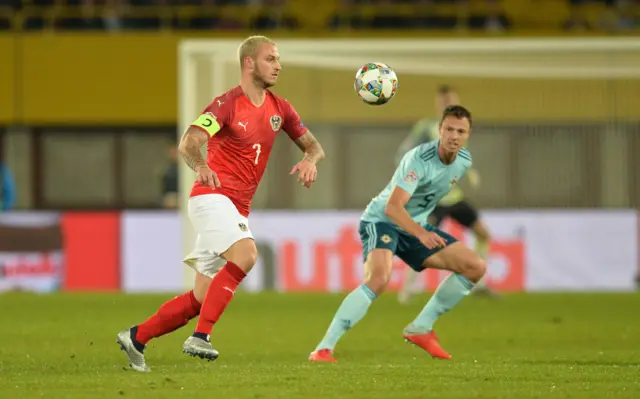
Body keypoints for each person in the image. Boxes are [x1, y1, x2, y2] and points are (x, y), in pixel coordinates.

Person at [117, 35, 326, 372]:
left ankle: (136, 337)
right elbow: (190, 142)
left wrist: (310, 160)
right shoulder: (226, 104)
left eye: (278, 59)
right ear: (249, 63)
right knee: (246, 255)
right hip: (211, 198)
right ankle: (201, 337)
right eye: (270, 58)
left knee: (199, 299)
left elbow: (314, 145)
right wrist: (200, 166)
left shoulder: (280, 108)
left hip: (235, 208)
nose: (278, 65)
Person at [309, 105, 485, 362]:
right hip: (382, 221)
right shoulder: (418, 160)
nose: (454, 136)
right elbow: (393, 207)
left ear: (468, 135)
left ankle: (421, 328)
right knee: (379, 279)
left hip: (415, 226)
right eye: (449, 129)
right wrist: (421, 234)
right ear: (440, 130)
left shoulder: (464, 161)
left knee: (475, 267)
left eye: (461, 131)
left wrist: (420, 229)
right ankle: (324, 348)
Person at [396, 85, 496, 303]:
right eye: (444, 101)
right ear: (438, 104)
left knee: (482, 233)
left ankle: (479, 283)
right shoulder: (425, 128)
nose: (447, 104)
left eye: (451, 100)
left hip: (453, 196)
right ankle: (408, 288)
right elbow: (405, 154)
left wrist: (469, 171)